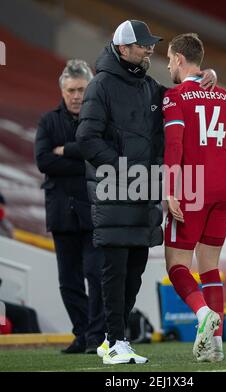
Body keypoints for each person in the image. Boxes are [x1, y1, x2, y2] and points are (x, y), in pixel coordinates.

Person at [76, 20, 217, 365]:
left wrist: (204, 78)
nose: (149, 49)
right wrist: (127, 169)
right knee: (114, 272)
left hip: (144, 197)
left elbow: (181, 102)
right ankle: (112, 342)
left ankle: (119, 340)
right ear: (123, 48)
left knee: (134, 274)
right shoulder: (101, 86)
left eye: (151, 44)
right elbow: (87, 138)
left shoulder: (151, 87)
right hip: (113, 193)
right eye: (142, 45)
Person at [163, 33, 226, 362]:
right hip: (223, 189)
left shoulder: (176, 96)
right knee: (210, 268)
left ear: (180, 59)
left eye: (169, 59)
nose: (168, 64)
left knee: (177, 266)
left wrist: (170, 187)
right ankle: (217, 346)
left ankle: (202, 316)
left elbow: (174, 146)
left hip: (191, 187)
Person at [35, 60, 106, 354]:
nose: (76, 96)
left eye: (81, 90)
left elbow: (101, 157)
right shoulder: (48, 121)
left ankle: (96, 337)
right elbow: (43, 161)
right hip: (62, 213)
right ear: (62, 92)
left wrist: (67, 151)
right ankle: (82, 334)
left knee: (95, 274)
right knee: (69, 281)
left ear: (89, 90)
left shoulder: (100, 120)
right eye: (71, 90)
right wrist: (83, 159)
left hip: (94, 213)